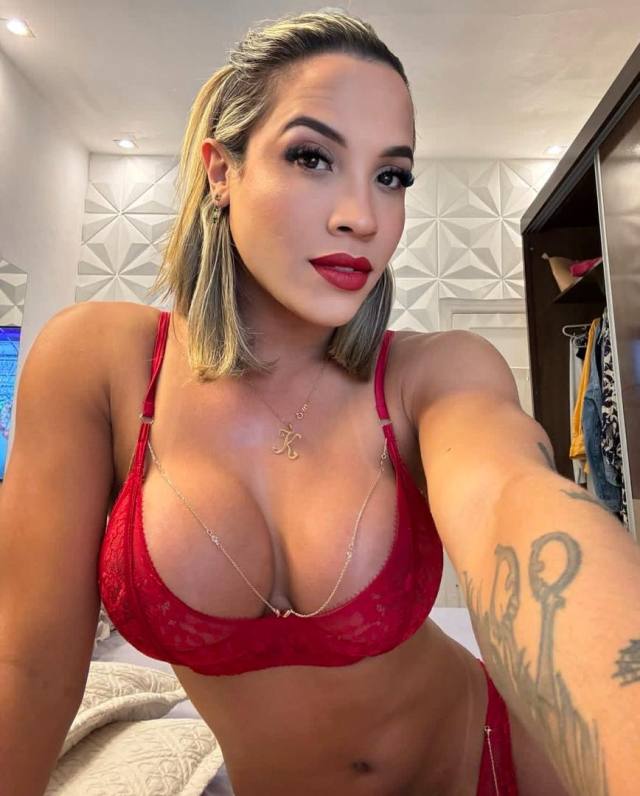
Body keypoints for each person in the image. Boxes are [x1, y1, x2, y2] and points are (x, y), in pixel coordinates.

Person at [1, 8, 638, 796]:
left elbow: (519, 505)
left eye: (391, 176)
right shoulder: (100, 364)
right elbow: (28, 665)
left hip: (491, 765)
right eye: (312, 157)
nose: (362, 216)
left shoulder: (432, 375)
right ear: (221, 171)